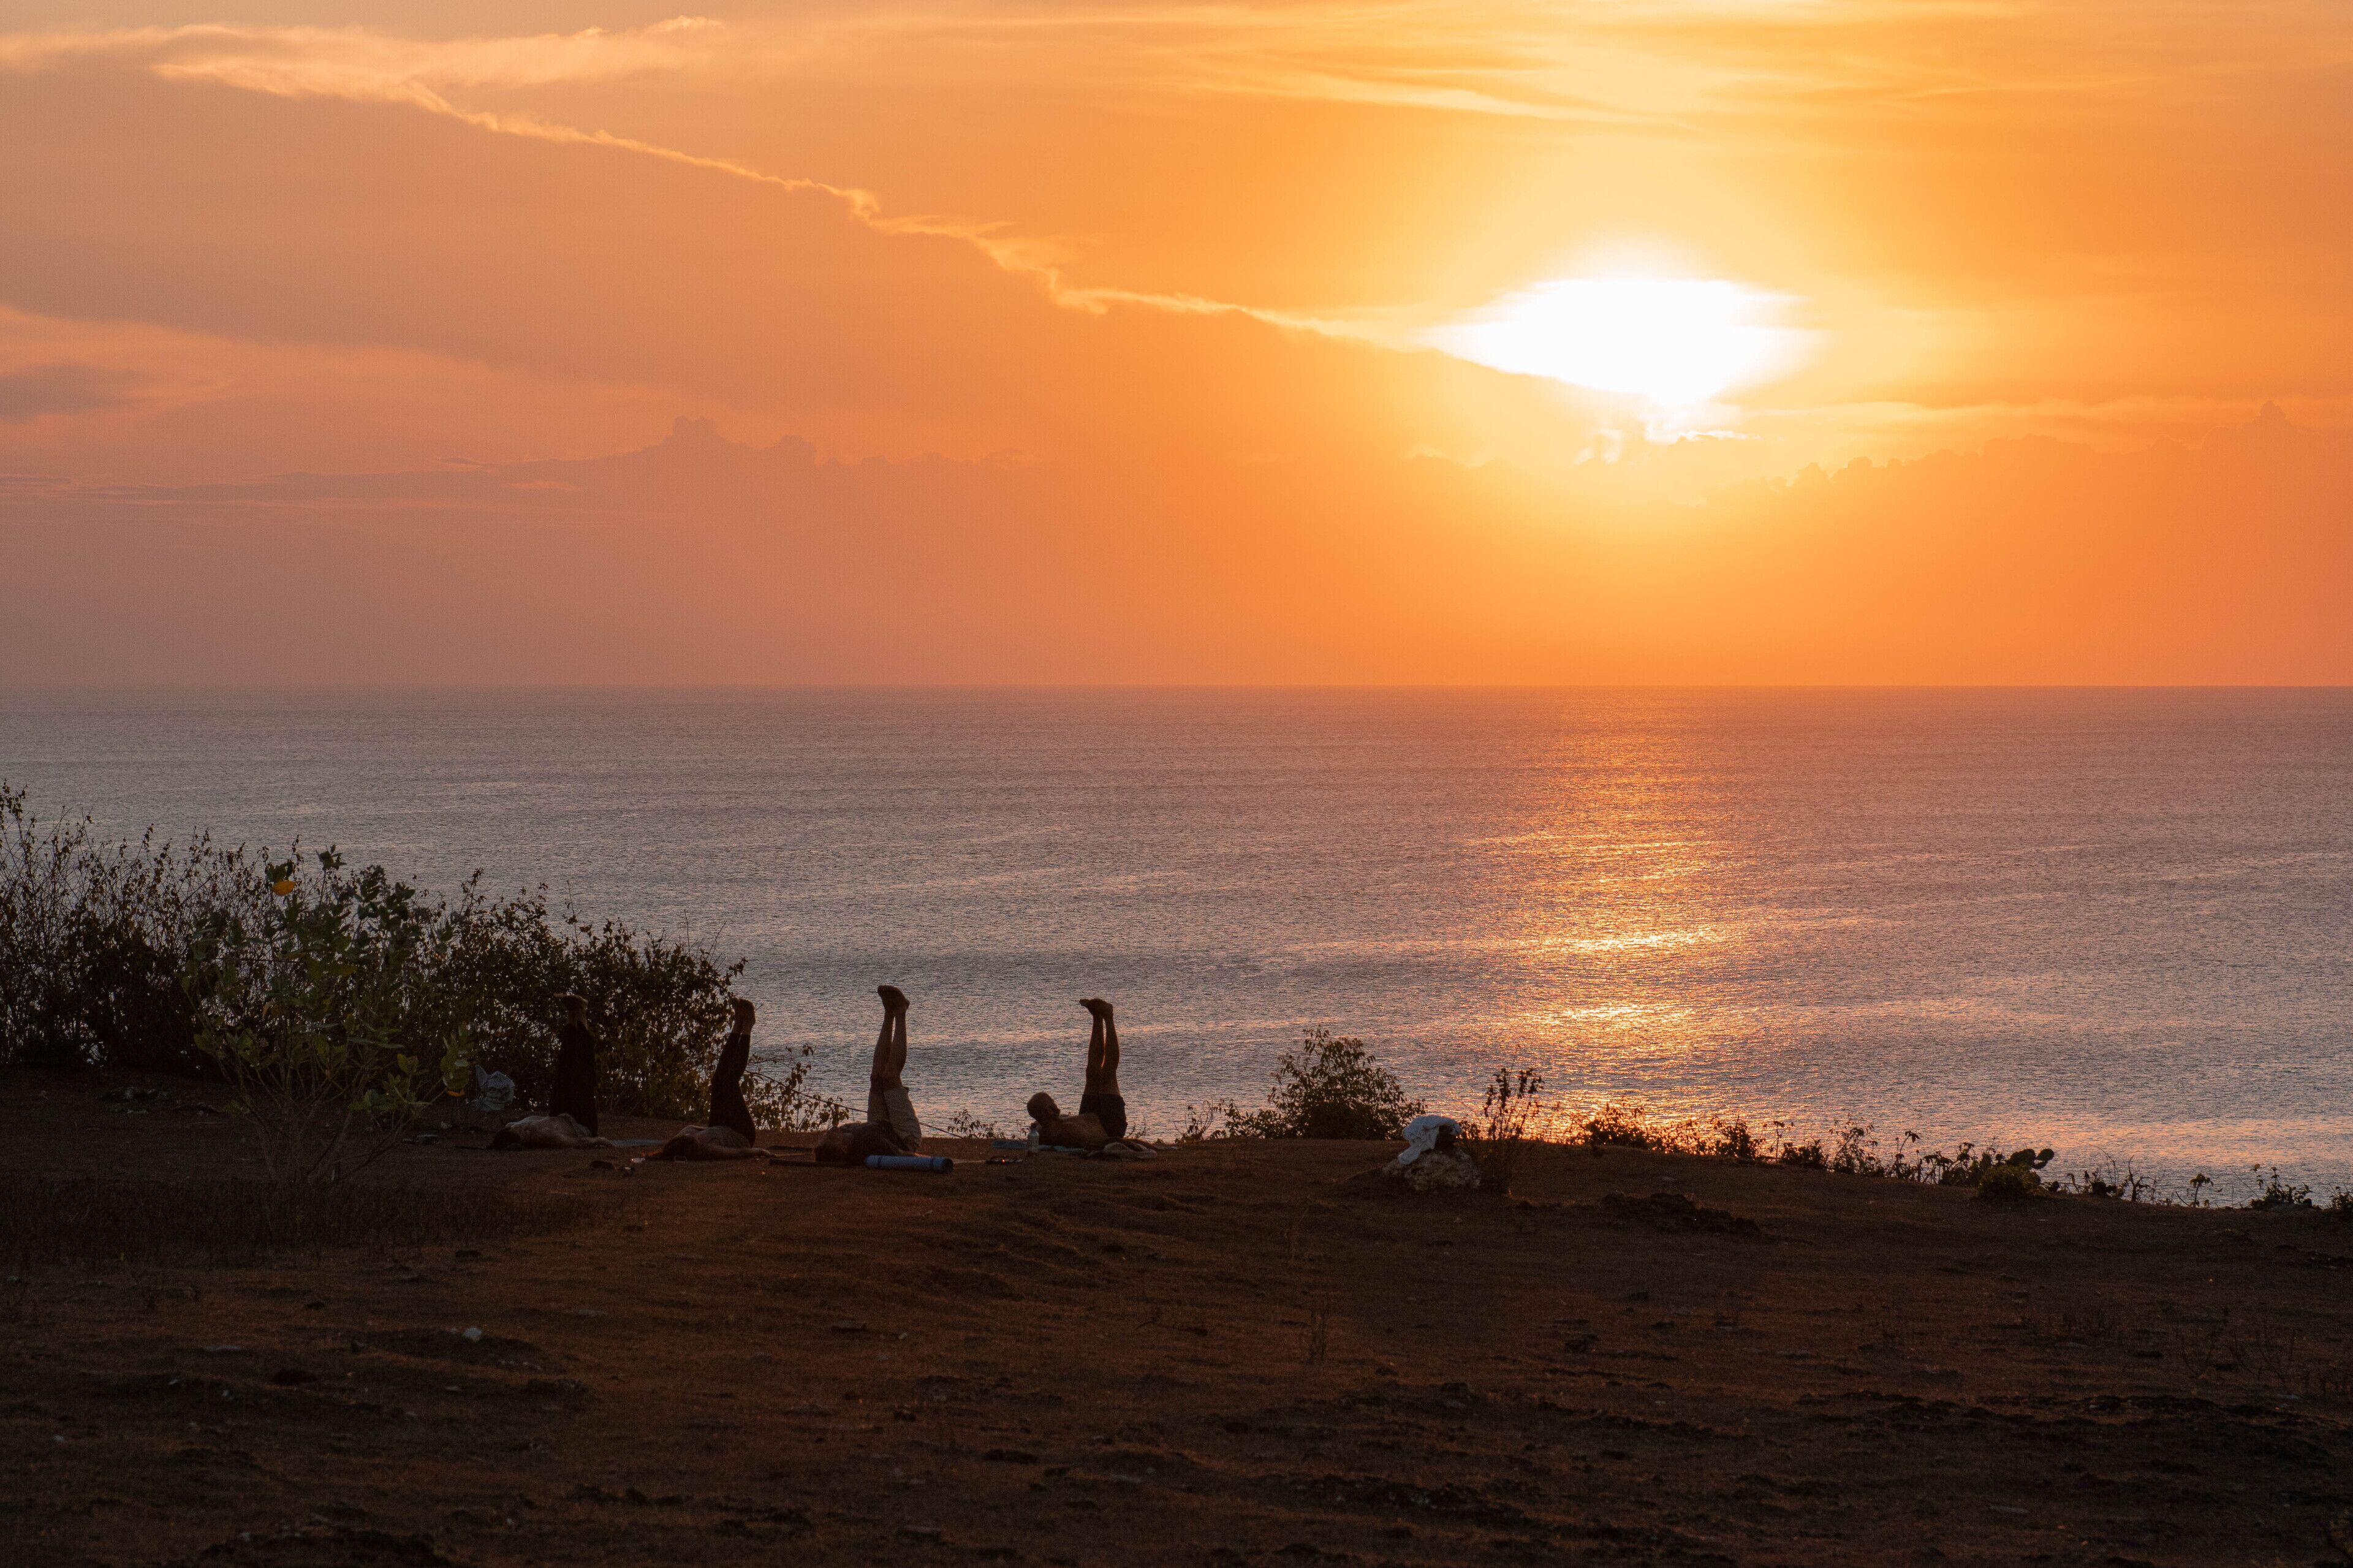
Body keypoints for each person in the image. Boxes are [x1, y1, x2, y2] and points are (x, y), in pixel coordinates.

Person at [867, 985, 923, 1152]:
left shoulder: (851, 1138)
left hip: (879, 1131)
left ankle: (889, 1013)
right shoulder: (854, 1145)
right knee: (890, 1078)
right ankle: (900, 1012)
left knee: (877, 1078)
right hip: (906, 1140)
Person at [550, 993, 601, 1134]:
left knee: (577, 1066)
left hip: (578, 1122)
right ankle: (576, 1013)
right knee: (570, 1067)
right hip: (573, 1122)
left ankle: (579, 1013)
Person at [710, 998, 757, 1145]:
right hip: (742, 1135)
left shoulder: (691, 1139)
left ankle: (737, 1026)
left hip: (718, 1127)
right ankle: (747, 1028)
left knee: (718, 1081)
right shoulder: (702, 1148)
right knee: (729, 1082)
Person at [1078, 997, 1127, 1141]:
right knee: (1107, 1077)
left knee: (1092, 1073)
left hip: (1087, 1123)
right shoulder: (1044, 1131)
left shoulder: (1048, 1126)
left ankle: (1099, 1017)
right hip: (1109, 1130)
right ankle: (1107, 1017)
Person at [1026, 1091, 1110, 1151]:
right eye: (1052, 1101)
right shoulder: (1069, 1131)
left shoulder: (1039, 1127)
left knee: (1092, 1074)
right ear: (1050, 1110)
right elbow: (1100, 1140)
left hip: (1091, 1114)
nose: (1054, 1102)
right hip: (1105, 1122)